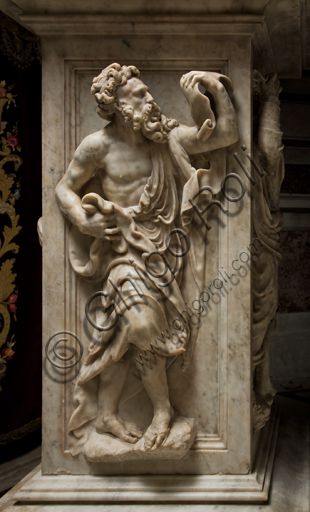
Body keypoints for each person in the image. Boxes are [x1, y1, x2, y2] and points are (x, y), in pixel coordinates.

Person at [56, 63, 238, 455]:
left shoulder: (164, 138)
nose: (149, 98)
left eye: (147, 92)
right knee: (140, 324)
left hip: (166, 256)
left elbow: (225, 136)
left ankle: (106, 412)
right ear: (119, 105)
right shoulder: (96, 147)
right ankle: (162, 410)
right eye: (138, 94)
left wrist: (210, 92)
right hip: (122, 253)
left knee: (124, 335)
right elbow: (64, 188)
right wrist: (81, 220)